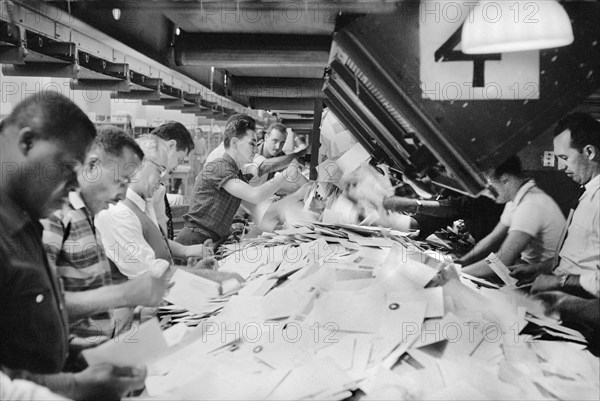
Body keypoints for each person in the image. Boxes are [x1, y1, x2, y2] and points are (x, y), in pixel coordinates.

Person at [0, 93, 145, 399]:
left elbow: (29, 336)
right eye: (68, 167)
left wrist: (84, 358)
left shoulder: (25, 226)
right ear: (28, 143)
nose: (76, 183)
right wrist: (80, 385)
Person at [42, 126, 171, 352]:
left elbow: (91, 303)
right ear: (92, 165)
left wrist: (137, 312)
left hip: (98, 350)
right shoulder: (56, 217)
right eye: (120, 181)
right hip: (72, 360)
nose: (122, 194)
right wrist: (123, 295)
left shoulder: (88, 217)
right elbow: (42, 304)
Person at [96, 135, 215, 279]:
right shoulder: (119, 213)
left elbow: (154, 244)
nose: (164, 179)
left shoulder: (143, 203)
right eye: (160, 171)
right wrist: (195, 274)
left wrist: (192, 264)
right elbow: (150, 272)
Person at [175, 114, 300, 246]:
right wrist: (287, 172)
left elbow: (255, 205)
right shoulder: (219, 167)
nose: (256, 149)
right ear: (234, 143)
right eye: (252, 144)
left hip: (208, 242)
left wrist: (296, 197)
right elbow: (255, 195)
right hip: (193, 241)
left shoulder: (236, 173)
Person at [512, 112, 600, 298]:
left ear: (589, 152)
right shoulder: (586, 190)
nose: (560, 167)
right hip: (557, 291)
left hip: (578, 305)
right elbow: (576, 258)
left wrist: (560, 281)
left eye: (565, 158)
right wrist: (538, 268)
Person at [459, 156, 566, 279]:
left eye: (489, 188)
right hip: (529, 269)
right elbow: (492, 240)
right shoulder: (515, 200)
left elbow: (502, 260)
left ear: (505, 179)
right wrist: (461, 262)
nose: (487, 194)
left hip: (547, 276)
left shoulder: (531, 204)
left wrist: (457, 273)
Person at [149, 121, 195, 240]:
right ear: (170, 146)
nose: (176, 167)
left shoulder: (157, 182)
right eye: (179, 159)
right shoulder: (147, 182)